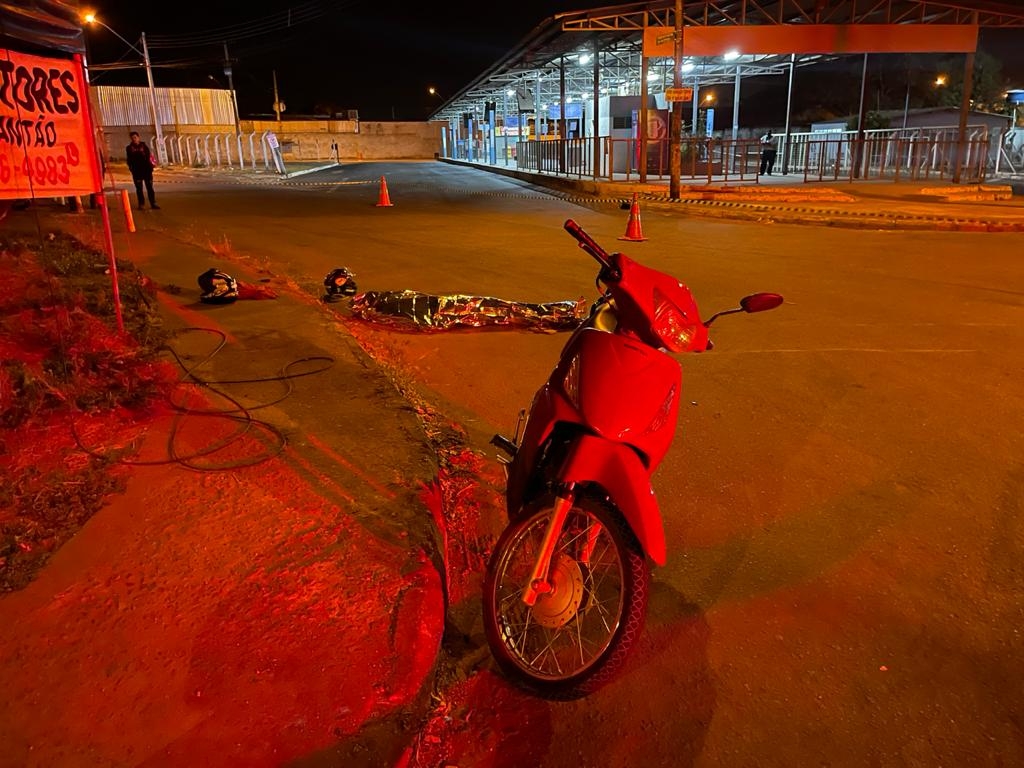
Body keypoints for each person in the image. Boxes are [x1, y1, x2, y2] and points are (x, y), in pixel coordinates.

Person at [125, 131, 159, 210]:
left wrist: (151, 167)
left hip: (146, 171)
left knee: (150, 188)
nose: (134, 139)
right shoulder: (129, 148)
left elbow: (148, 157)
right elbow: (129, 159)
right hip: (137, 172)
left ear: (138, 137)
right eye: (132, 138)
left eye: (135, 137)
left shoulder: (144, 146)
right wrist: (132, 169)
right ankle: (141, 204)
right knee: (139, 189)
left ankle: (153, 203)